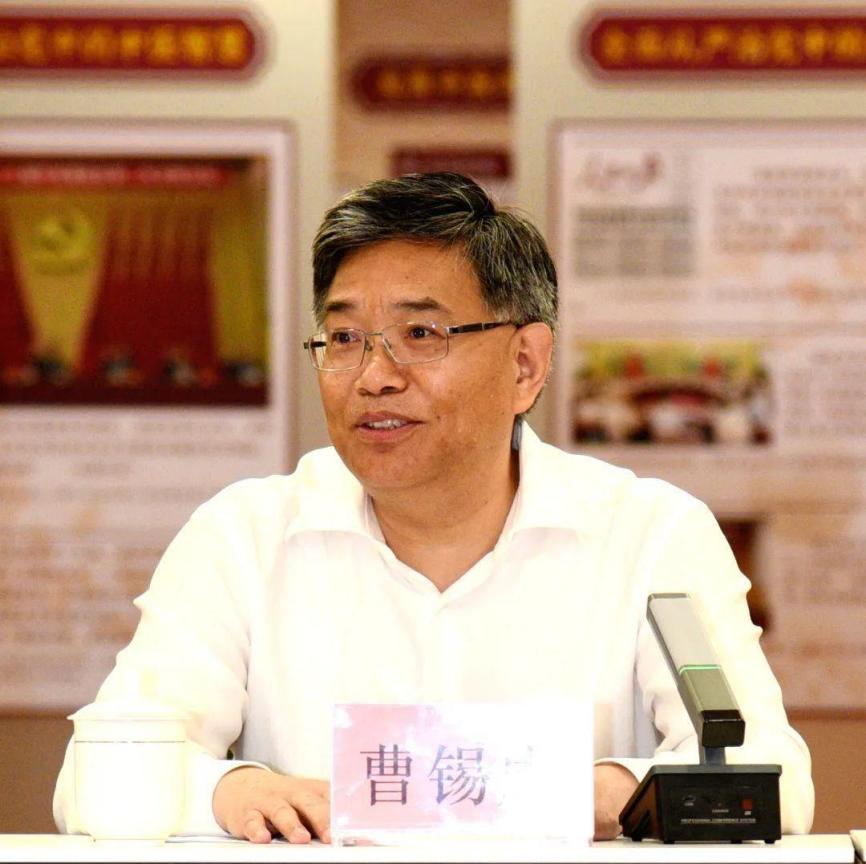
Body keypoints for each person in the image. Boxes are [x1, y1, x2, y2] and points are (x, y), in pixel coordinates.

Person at [54, 172, 814, 843]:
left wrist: (607, 793)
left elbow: (774, 780)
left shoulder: (652, 536)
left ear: (526, 364)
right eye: (344, 337)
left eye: (420, 333)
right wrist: (230, 790)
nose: (374, 376)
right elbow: (89, 780)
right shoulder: (242, 538)